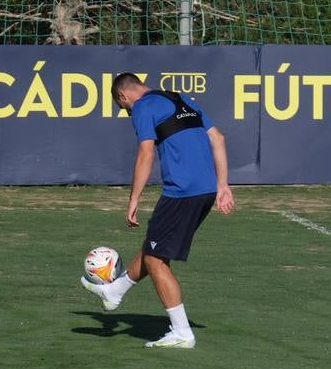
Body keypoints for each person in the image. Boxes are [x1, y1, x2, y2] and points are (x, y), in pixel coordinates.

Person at [81, 72, 235, 347]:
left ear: (123, 96)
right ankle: (114, 291)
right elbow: (219, 138)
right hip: (206, 190)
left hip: (182, 191)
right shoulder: (181, 98)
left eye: (124, 108)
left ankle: (182, 333)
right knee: (155, 246)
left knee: (155, 260)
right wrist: (223, 185)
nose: (129, 113)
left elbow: (146, 153)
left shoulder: (142, 107)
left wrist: (133, 200)